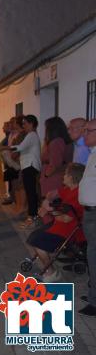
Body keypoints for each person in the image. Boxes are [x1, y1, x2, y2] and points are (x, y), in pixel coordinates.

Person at [25, 163, 86, 282]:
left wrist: (49, 210)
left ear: (72, 177)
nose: (63, 176)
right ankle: (48, 266)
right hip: (59, 226)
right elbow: (51, 194)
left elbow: (66, 219)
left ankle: (52, 273)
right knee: (33, 236)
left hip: (68, 231)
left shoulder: (78, 194)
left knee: (36, 241)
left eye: (66, 174)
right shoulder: (69, 189)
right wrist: (47, 201)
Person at [9, 115, 42, 228]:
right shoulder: (31, 135)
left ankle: (32, 217)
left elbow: (20, 147)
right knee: (30, 192)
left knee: (31, 193)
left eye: (25, 123)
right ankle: (32, 216)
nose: (23, 126)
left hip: (30, 166)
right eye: (22, 124)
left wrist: (6, 148)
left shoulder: (31, 134)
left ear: (31, 124)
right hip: (28, 166)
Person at [78, 119, 96, 317]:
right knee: (92, 255)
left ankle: (95, 301)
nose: (85, 134)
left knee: (94, 256)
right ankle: (93, 294)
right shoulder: (93, 153)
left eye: (88, 131)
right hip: (90, 212)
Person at [40, 116, 74, 197]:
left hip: (53, 178)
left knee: (50, 204)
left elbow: (55, 163)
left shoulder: (56, 142)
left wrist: (46, 175)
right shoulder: (63, 140)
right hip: (58, 176)